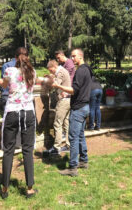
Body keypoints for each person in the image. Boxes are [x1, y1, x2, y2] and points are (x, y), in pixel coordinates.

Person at [0, 53, 41, 199]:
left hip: (12, 112)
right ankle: (29, 188)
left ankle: (4, 189)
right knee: (27, 150)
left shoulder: (9, 71)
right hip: (28, 112)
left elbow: (4, 85)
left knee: (8, 150)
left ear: (16, 61)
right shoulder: (33, 72)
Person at [52, 48, 92, 177]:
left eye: (74, 56)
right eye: (71, 56)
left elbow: (74, 90)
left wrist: (59, 86)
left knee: (73, 138)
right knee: (80, 135)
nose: (72, 58)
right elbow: (80, 89)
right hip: (85, 107)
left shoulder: (80, 71)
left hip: (78, 108)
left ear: (80, 56)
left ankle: (73, 167)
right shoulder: (87, 69)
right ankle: (84, 161)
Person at [1, 47, 29, 149]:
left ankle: (9, 144)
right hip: (24, 101)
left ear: (15, 56)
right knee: (21, 123)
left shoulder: (7, 66)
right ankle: (19, 143)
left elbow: (5, 84)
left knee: (10, 125)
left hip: (9, 97)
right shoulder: (29, 68)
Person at [44, 60, 71, 156]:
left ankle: (56, 148)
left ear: (54, 66)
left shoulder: (60, 72)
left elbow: (54, 85)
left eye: (51, 70)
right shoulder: (63, 70)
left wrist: (46, 81)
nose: (51, 72)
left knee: (57, 123)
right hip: (69, 99)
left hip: (63, 100)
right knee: (66, 123)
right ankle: (68, 145)